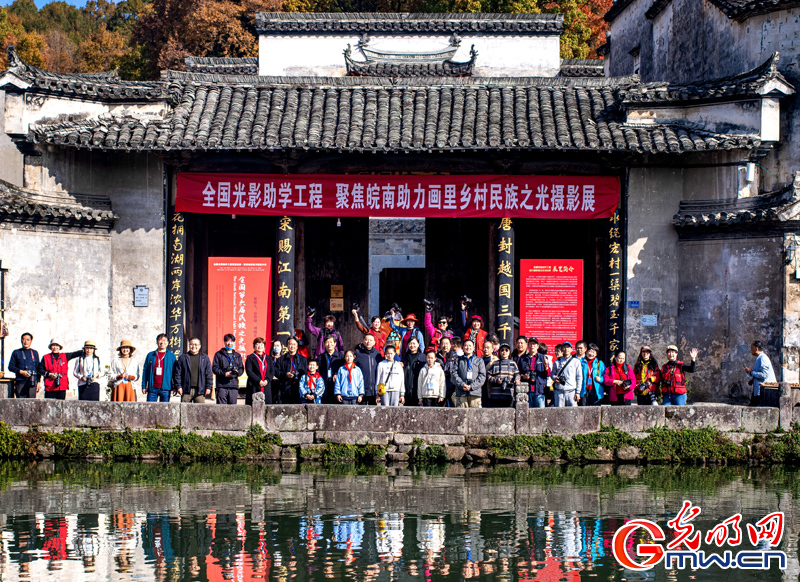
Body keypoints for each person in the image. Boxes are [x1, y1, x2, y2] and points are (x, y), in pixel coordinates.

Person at [173, 337, 213, 403]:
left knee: (200, 411)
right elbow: (178, 373)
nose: (193, 346)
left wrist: (208, 387)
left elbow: (209, 373)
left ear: (200, 346)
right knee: (184, 410)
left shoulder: (204, 358)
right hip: (186, 390)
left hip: (200, 390)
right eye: (191, 344)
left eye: (196, 344)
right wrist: (178, 386)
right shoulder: (183, 358)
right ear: (189, 345)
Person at [451, 338, 486, 408]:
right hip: (461, 393)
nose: (468, 347)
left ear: (473, 348)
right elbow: (454, 374)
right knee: (461, 416)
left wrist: (472, 386)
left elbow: (482, 376)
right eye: (466, 345)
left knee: (475, 416)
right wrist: (462, 384)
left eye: (470, 346)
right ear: (463, 347)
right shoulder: (458, 360)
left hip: (475, 393)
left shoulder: (479, 361)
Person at [142, 334, 177, 403]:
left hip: (166, 388)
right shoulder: (150, 355)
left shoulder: (171, 356)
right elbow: (145, 371)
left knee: (164, 411)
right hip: (152, 388)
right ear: (157, 342)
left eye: (164, 340)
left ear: (168, 342)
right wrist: (144, 386)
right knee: (150, 409)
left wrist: (175, 386)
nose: (162, 342)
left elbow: (175, 372)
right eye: (160, 340)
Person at [212, 333, 244, 405]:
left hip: (233, 385)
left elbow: (241, 368)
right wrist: (224, 374)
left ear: (234, 342)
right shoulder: (218, 354)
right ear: (224, 342)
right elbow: (214, 368)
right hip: (222, 385)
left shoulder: (237, 355)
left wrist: (237, 372)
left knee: (232, 407)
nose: (229, 343)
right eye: (227, 341)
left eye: (232, 341)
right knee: (221, 407)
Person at [486, 343, 520, 408]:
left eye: (506, 350)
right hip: (495, 395)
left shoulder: (513, 364)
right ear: (499, 352)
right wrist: (496, 380)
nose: (504, 352)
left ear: (509, 352)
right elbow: (488, 376)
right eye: (502, 350)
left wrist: (517, 379)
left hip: (509, 394)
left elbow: (517, 374)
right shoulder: (494, 363)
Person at [550, 342, 583, 407]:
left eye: (568, 347)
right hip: (559, 391)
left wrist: (578, 392)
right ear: (561, 349)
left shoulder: (576, 362)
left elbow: (579, 378)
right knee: (559, 413)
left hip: (571, 392)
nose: (566, 349)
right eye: (564, 347)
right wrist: (555, 378)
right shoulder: (557, 361)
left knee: (573, 413)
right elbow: (552, 374)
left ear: (571, 349)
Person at [277, 337, 308, 404]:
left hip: (298, 388)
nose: (292, 346)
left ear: (297, 346)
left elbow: (306, 374)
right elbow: (277, 372)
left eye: (294, 344)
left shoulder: (303, 359)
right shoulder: (281, 359)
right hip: (285, 388)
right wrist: (285, 374)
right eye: (290, 344)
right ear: (287, 346)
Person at [745, 340, 776, 407]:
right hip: (759, 390)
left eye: (751, 348)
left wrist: (751, 372)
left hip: (763, 390)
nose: (750, 350)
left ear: (756, 348)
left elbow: (764, 375)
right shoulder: (759, 358)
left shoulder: (762, 358)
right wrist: (753, 379)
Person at [9, 332, 39, 399]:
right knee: (21, 403)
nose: (26, 342)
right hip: (21, 382)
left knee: (32, 403)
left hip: (32, 382)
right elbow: (11, 366)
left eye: (28, 340)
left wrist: (38, 382)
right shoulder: (16, 352)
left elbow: (37, 368)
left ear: (31, 341)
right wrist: (21, 372)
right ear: (21, 340)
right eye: (24, 339)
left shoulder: (35, 353)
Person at [245, 337, 274, 405]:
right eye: (257, 344)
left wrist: (267, 380)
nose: (259, 346)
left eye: (261, 344)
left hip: (266, 385)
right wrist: (258, 381)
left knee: (267, 406)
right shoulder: (250, 358)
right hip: (254, 385)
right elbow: (249, 371)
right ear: (254, 346)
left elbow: (272, 371)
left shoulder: (268, 358)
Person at [355, 333, 382, 405]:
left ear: (374, 342)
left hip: (373, 389)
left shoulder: (377, 354)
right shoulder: (358, 353)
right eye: (366, 340)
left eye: (371, 340)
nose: (368, 342)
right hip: (361, 389)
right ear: (363, 341)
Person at [317, 336, 344, 404]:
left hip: (336, 384)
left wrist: (336, 374)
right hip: (324, 383)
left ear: (335, 343)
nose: (329, 344)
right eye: (327, 342)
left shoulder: (341, 357)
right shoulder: (321, 357)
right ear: (324, 344)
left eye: (331, 342)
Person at [402, 337, 425, 406]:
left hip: (418, 388)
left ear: (418, 344)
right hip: (407, 388)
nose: (412, 345)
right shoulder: (404, 357)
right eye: (410, 343)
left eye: (414, 343)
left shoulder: (423, 357)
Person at [527, 343, 550, 408]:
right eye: (531, 344)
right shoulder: (524, 358)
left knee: (540, 413)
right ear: (528, 346)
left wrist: (546, 366)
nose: (532, 345)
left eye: (534, 344)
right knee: (528, 413)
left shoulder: (543, 358)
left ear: (537, 346)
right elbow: (518, 372)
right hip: (527, 390)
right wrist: (523, 376)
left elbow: (548, 374)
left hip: (539, 390)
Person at [436, 336, 457, 407]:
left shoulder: (455, 356)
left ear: (450, 345)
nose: (445, 346)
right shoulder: (436, 357)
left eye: (447, 343)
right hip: (440, 386)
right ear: (440, 345)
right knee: (441, 407)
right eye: (443, 344)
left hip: (452, 385)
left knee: (454, 405)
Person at [481, 339, 497, 407]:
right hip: (481, 387)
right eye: (484, 347)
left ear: (492, 349)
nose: (486, 349)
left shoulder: (496, 360)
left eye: (488, 347)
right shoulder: (479, 359)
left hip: (491, 386)